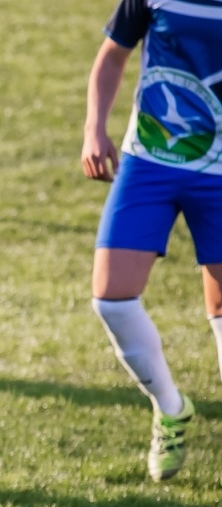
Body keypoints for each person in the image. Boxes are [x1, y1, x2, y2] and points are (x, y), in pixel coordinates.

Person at [82, 0, 222, 481]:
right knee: (112, 299)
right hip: (149, 161)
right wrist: (94, 129)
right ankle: (170, 407)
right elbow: (112, 55)